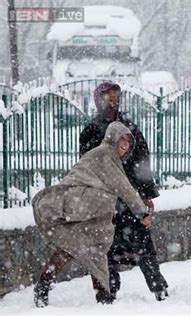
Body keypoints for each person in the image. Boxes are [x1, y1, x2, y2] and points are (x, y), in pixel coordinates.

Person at [32, 122, 149, 307]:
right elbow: (123, 187)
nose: (125, 145)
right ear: (113, 139)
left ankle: (100, 296)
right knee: (81, 250)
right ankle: (47, 287)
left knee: (92, 252)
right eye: (122, 140)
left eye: (128, 141)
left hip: (91, 216)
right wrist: (142, 212)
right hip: (82, 208)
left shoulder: (109, 158)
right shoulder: (105, 154)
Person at [79, 82, 168, 303]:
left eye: (116, 96)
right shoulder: (91, 131)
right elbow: (86, 165)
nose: (113, 100)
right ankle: (108, 291)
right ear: (98, 99)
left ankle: (157, 286)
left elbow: (142, 161)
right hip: (104, 199)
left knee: (142, 241)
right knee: (104, 246)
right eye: (108, 96)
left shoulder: (129, 127)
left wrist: (146, 194)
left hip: (129, 198)